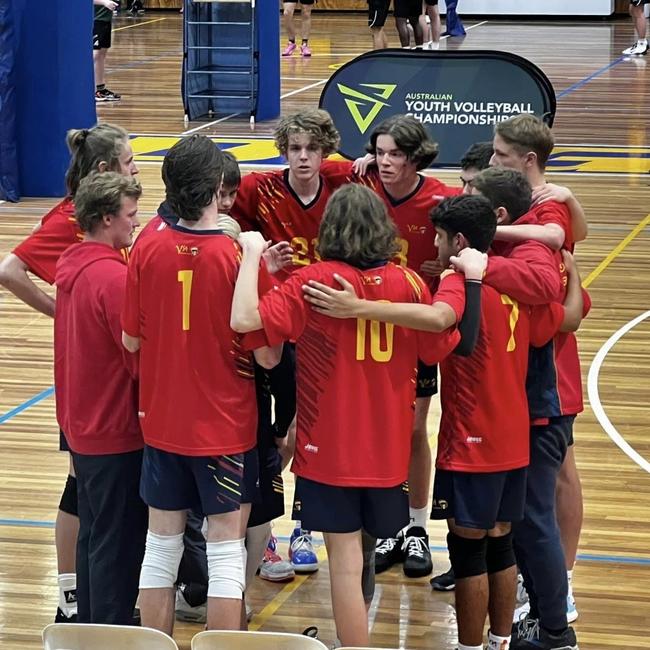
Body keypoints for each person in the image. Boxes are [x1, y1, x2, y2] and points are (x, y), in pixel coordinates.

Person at [231, 183, 468, 647]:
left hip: (329, 447)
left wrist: (254, 259)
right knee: (363, 554)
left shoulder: (312, 281)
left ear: (330, 229)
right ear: (382, 229)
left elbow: (245, 321)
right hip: (388, 447)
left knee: (343, 560)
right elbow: (440, 347)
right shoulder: (412, 283)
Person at [121, 134, 281, 635]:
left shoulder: (146, 244)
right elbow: (269, 356)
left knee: (161, 545)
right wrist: (258, 263)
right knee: (226, 548)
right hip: (224, 428)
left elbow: (130, 341)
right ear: (217, 187)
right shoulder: (238, 258)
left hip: (163, 420)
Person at [0, 122, 137, 624]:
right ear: (103, 172)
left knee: (92, 495)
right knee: (83, 491)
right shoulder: (70, 223)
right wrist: (60, 310)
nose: (135, 170)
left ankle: (86, 599)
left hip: (96, 381)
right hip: (89, 385)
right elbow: (9, 270)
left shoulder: (105, 230)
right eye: (127, 163)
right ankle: (72, 596)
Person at [322, 114, 461, 579]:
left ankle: (416, 527)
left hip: (411, 327)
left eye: (395, 154)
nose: (384, 162)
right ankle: (389, 526)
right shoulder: (360, 180)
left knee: (413, 428)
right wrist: (349, 162)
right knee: (374, 428)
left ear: (415, 156)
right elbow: (306, 165)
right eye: (379, 152)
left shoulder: (442, 198)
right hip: (358, 327)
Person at [490, 115, 588, 627]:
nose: (491, 159)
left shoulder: (545, 205)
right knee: (538, 486)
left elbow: (557, 234)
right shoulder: (537, 200)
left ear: (528, 160)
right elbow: (578, 230)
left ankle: (561, 583)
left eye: (500, 154)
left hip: (551, 364)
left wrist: (566, 200)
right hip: (524, 361)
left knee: (558, 478)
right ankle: (541, 577)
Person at [54, 171, 147, 624]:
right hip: (115, 429)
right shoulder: (112, 278)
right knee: (118, 544)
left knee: (94, 536)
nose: (135, 222)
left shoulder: (73, 265)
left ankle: (91, 626)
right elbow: (135, 358)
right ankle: (109, 632)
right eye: (130, 216)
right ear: (107, 217)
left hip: (83, 426)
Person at [93, 0, 121, 101]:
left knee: (101, 54)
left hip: (105, 19)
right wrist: (104, 2)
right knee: (96, 54)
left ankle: (100, 89)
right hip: (95, 19)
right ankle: (94, 90)